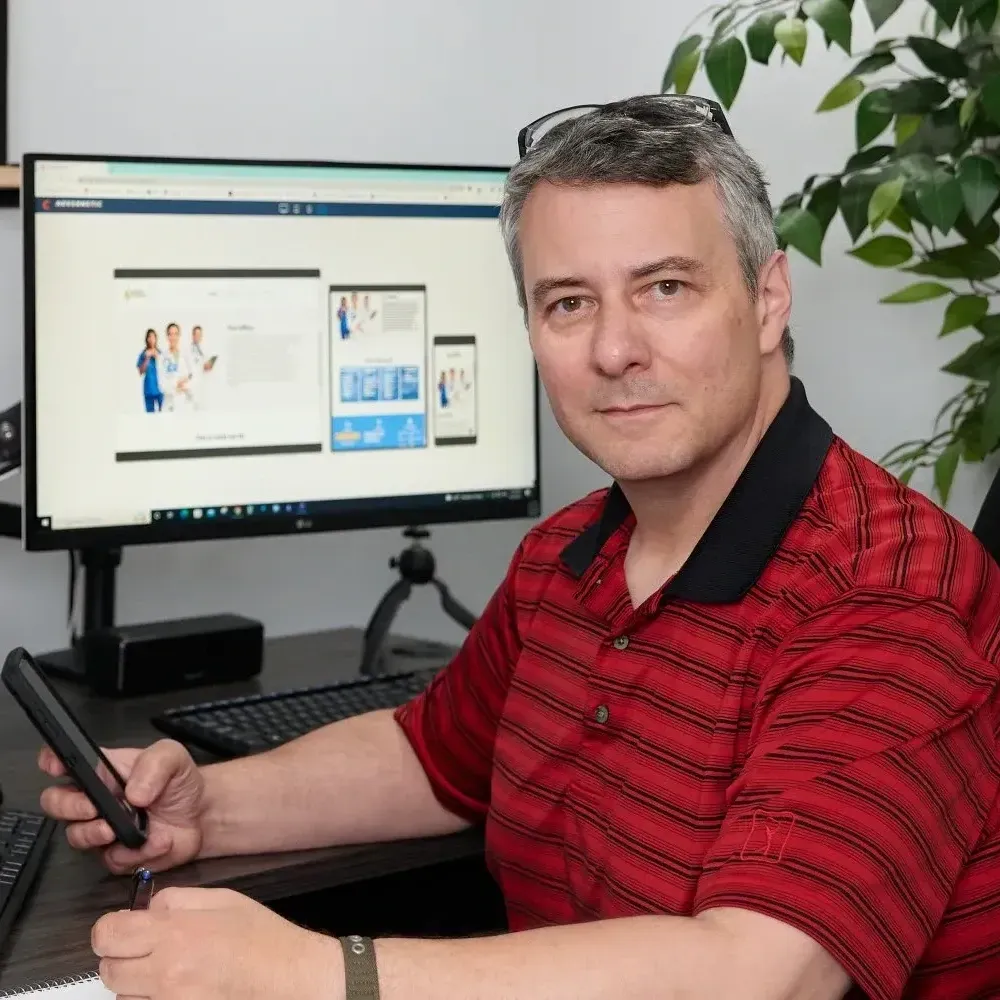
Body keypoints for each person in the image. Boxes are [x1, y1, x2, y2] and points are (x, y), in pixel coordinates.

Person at [37, 95, 1000, 1000]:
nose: (615, 351)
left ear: (768, 298)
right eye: (568, 303)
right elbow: (434, 758)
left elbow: (757, 969)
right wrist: (210, 807)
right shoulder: (568, 556)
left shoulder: (889, 593)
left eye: (664, 288)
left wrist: (326, 973)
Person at [159, 322, 193, 411]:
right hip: (169, 403)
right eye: (170, 334)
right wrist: (176, 384)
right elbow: (161, 384)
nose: (173, 337)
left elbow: (192, 376)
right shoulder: (162, 357)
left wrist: (186, 385)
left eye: (176, 334)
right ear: (167, 336)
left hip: (184, 402)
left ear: (179, 336)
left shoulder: (186, 355)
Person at [136, 328, 162, 412]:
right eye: (149, 337)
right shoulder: (143, 354)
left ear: (156, 338)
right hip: (148, 390)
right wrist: (147, 358)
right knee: (150, 417)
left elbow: (165, 369)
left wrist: (157, 357)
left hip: (160, 388)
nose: (151, 339)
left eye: (153, 337)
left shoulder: (161, 353)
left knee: (164, 414)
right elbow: (140, 372)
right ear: (147, 339)